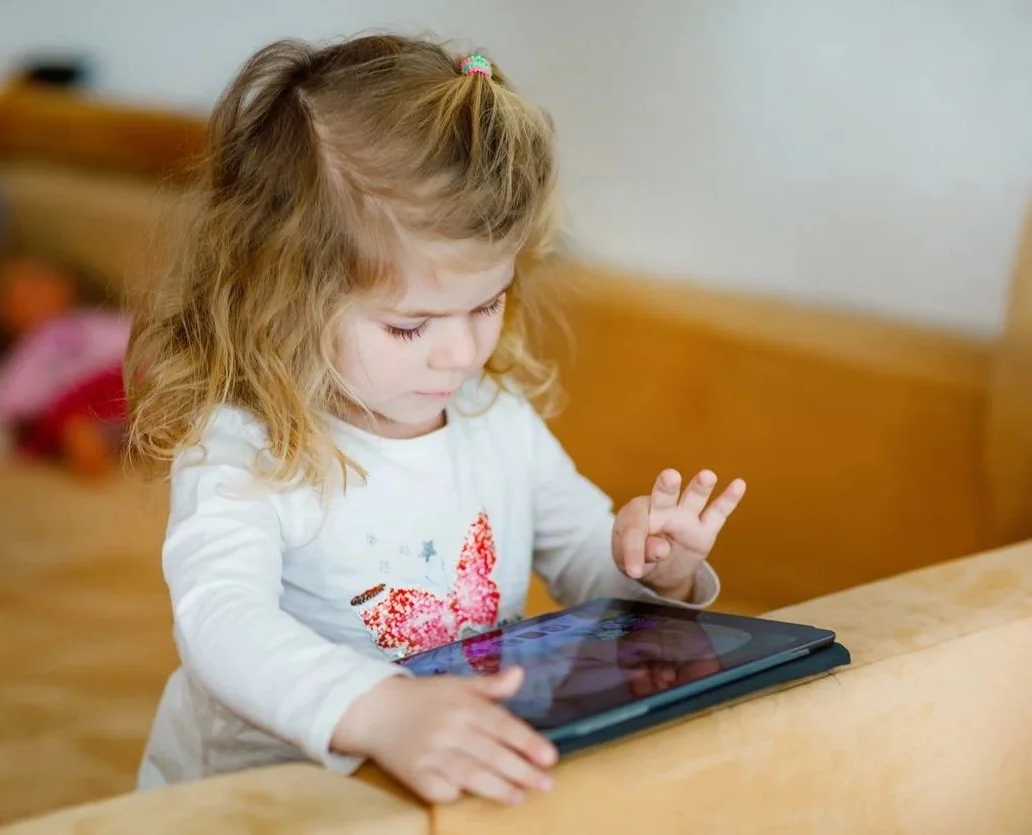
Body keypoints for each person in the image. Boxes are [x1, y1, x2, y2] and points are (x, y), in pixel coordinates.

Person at [124, 33, 746, 806]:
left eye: (486, 303)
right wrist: (379, 712)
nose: (459, 354)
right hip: (258, 802)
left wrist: (655, 567)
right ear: (281, 296)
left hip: (444, 772)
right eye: (410, 326)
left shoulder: (493, 416)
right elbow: (221, 623)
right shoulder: (248, 448)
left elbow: (587, 559)